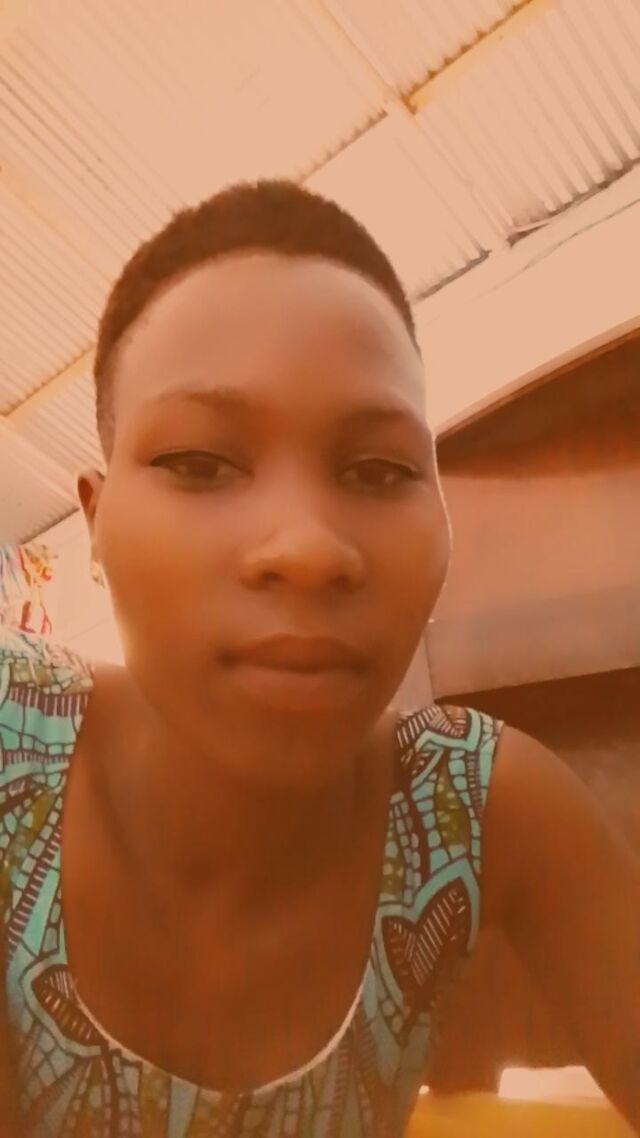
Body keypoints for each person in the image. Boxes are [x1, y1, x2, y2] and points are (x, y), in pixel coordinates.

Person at [0, 181, 638, 1138]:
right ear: (95, 521)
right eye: (200, 464)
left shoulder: (477, 811)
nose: (306, 547)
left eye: (379, 470)